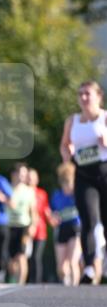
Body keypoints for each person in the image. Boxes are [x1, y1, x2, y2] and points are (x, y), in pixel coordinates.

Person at [60, 80, 107, 285]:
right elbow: (64, 145)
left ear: (99, 96)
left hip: (104, 172)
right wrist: (67, 155)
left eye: (88, 94)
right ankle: (89, 267)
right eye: (80, 94)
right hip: (83, 175)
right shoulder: (72, 121)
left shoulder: (105, 119)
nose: (84, 98)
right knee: (88, 219)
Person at [50, 163, 81, 286]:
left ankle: (75, 287)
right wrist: (54, 218)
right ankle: (66, 284)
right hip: (62, 229)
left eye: (69, 182)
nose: (68, 186)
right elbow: (53, 212)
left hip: (75, 229)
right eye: (65, 182)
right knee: (61, 267)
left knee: (73, 261)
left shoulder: (78, 194)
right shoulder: (57, 195)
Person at [7, 163, 38, 284]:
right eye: (20, 174)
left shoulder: (29, 191)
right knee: (11, 260)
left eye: (24, 174)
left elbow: (33, 211)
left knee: (22, 255)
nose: (22, 176)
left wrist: (33, 226)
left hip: (24, 226)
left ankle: (20, 285)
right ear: (14, 175)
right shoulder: (8, 188)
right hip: (9, 226)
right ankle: (12, 281)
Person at [27, 168, 52, 283]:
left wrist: (51, 219)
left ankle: (35, 282)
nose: (30, 180)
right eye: (29, 177)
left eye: (33, 177)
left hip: (40, 231)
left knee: (36, 257)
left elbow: (46, 210)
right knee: (26, 257)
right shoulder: (23, 192)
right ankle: (25, 281)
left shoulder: (42, 193)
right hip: (25, 231)